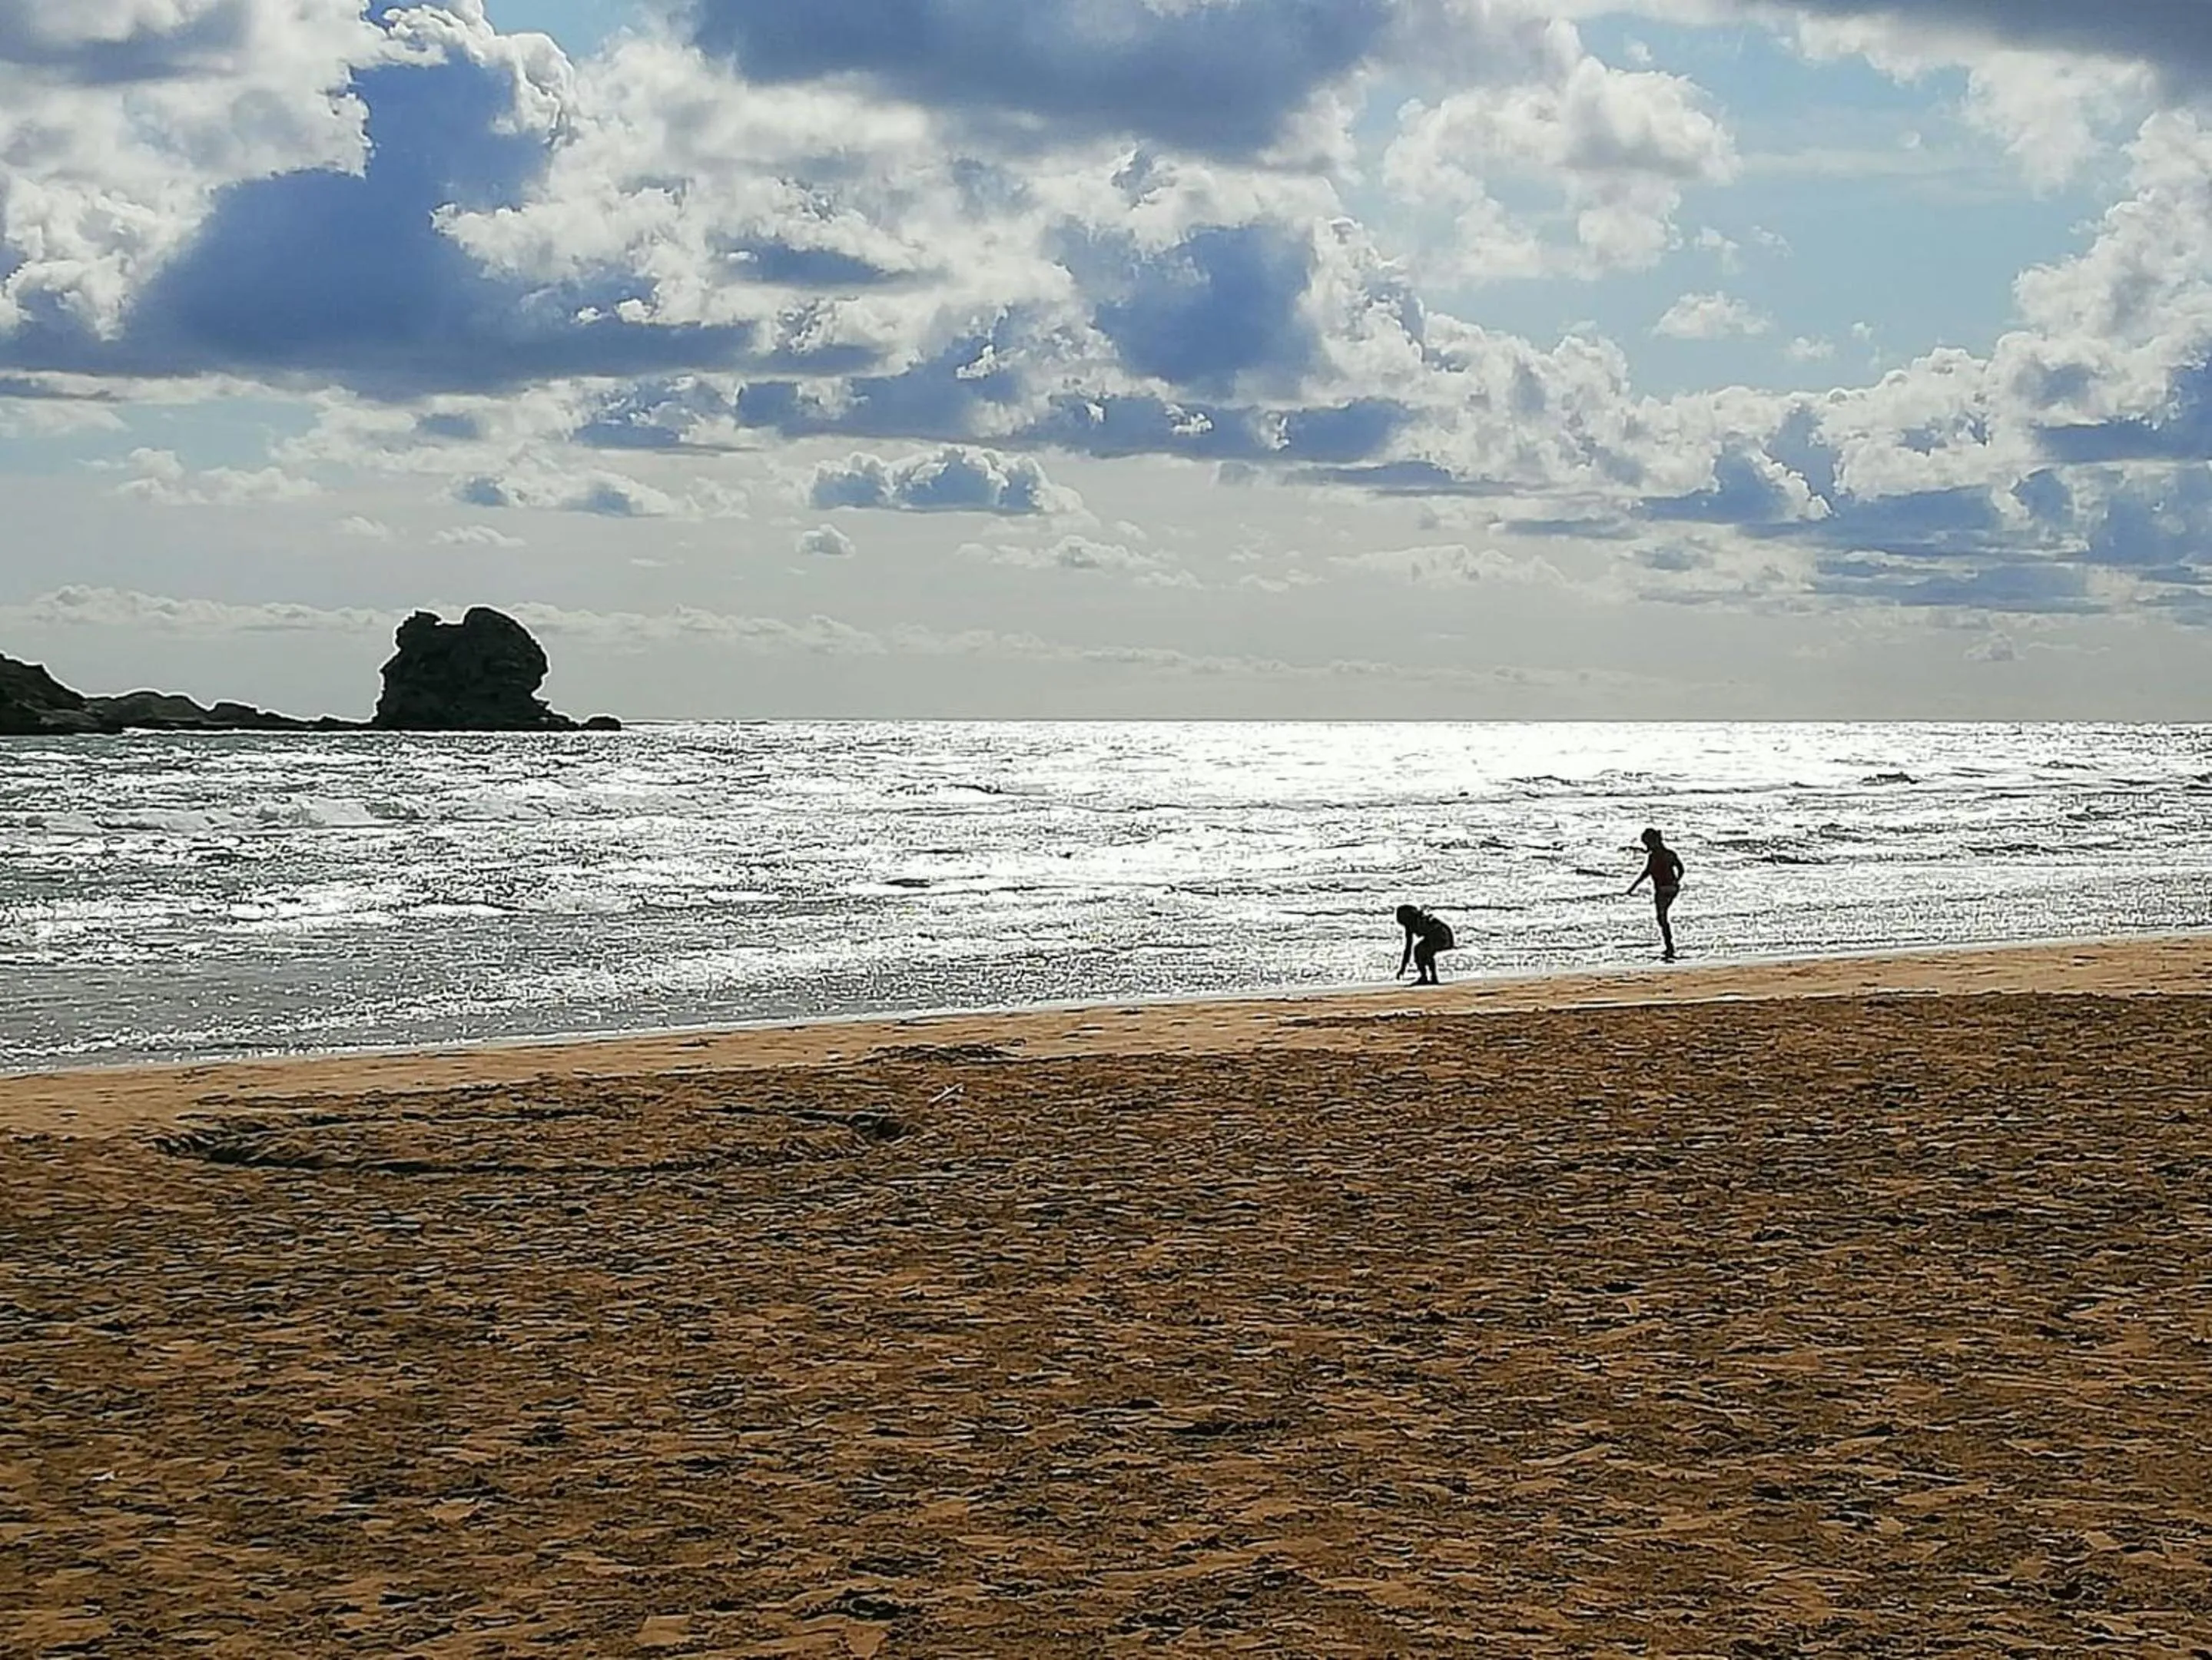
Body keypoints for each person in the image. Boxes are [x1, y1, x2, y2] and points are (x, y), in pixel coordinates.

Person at [1627, 827, 1685, 961]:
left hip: (1662, 889)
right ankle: (1669, 945)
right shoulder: (1670, 853)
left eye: (1647, 843)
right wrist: (1677, 880)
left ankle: (1669, 946)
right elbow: (1681, 868)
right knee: (1663, 917)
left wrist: (1632, 888)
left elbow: (1646, 873)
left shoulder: (1654, 856)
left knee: (1661, 918)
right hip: (1673, 888)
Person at [1395, 903, 1456, 985]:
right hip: (1441, 936)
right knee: (1423, 951)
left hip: (1443, 936)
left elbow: (1436, 928)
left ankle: (1427, 977)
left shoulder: (1420, 920)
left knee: (1421, 950)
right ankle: (1429, 977)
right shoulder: (1411, 925)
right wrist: (1402, 969)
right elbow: (1408, 949)